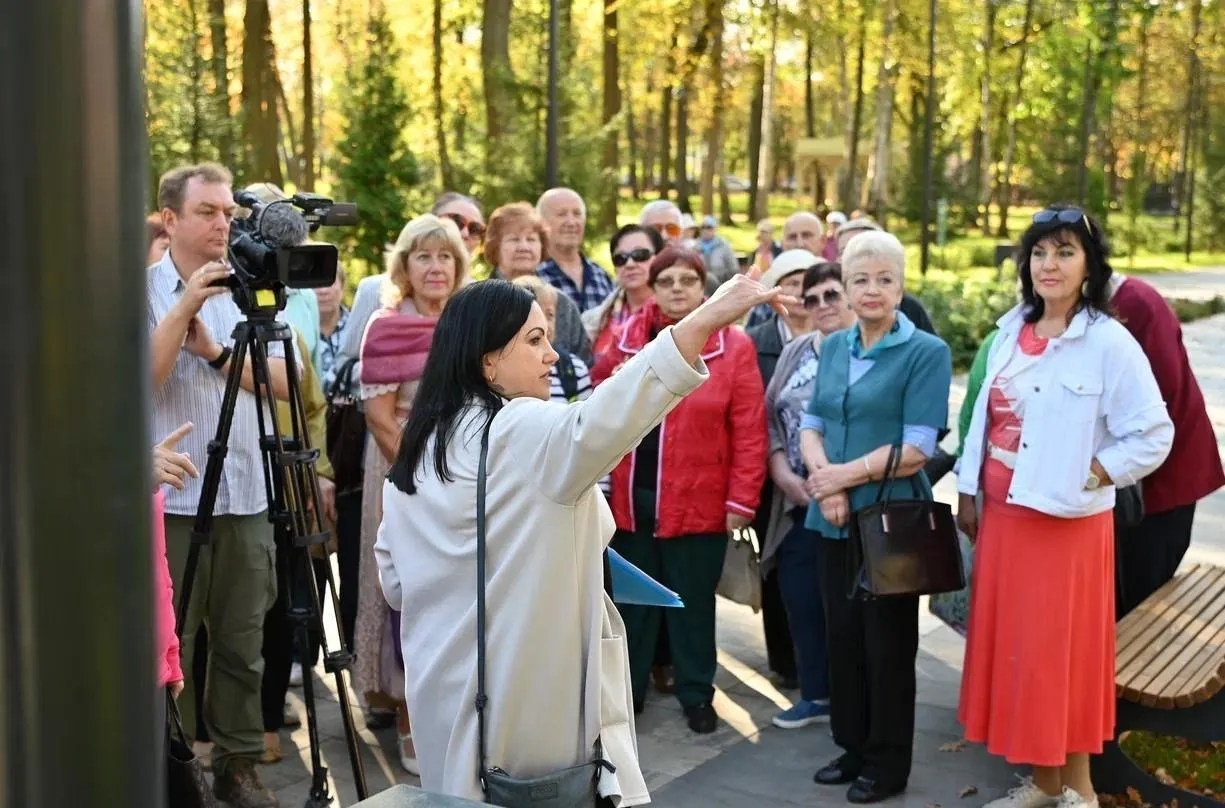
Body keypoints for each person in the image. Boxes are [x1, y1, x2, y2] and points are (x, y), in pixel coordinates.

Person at [373, 272, 788, 804]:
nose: (553, 354)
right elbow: (608, 417)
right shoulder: (520, 427)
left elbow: (395, 581)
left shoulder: (423, 443)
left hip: (439, 691)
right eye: (534, 339)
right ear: (487, 361)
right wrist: (703, 321)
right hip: (522, 699)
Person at [956, 207, 1174, 808]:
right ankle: (1045, 781)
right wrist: (969, 492)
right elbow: (983, 417)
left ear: (1089, 265)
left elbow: (1154, 433)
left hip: (1064, 527)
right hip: (1004, 520)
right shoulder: (1009, 332)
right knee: (1023, 657)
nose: (1049, 264)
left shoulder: (1107, 340)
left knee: (1060, 656)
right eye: (1039, 253)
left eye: (1065, 252)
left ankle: (1077, 790)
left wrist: (1096, 471)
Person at [148, 162, 285, 807]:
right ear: (171, 218)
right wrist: (186, 306)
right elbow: (139, 382)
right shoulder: (139, 291)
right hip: (170, 499)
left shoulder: (254, 289)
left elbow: (291, 384)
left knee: (242, 639)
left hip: (246, 492)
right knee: (169, 642)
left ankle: (237, 764)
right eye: (207, 212)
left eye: (229, 212)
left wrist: (218, 352)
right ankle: (168, 763)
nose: (223, 223)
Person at [800, 230, 952, 804]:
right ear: (844, 284)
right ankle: (852, 747)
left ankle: (888, 765)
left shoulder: (925, 353)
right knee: (841, 638)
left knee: (887, 647)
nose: (871, 290)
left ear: (901, 286)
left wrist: (843, 476)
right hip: (830, 514)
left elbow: (918, 447)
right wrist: (823, 480)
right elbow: (811, 422)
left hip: (891, 521)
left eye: (884, 279)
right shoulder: (835, 344)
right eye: (860, 279)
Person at [591, 247, 768, 734]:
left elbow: (750, 429)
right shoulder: (625, 339)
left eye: (685, 280)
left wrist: (741, 500)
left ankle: (696, 694)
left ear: (702, 288)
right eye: (664, 279)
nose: (674, 288)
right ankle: (626, 698)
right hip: (630, 501)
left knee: (692, 605)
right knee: (632, 606)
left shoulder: (734, 347)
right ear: (651, 286)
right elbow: (597, 405)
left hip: (701, 502)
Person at [356, 213, 469, 774]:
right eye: (423, 256)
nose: (435, 267)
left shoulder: (468, 323)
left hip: (464, 474)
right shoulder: (385, 324)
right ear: (405, 265)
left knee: (457, 593)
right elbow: (379, 417)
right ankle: (405, 717)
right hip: (402, 471)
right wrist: (424, 480)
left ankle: (456, 714)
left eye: (445, 256)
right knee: (407, 591)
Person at [761, 261, 855, 729]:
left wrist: (832, 479)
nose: (821, 306)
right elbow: (771, 415)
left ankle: (854, 700)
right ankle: (815, 695)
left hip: (850, 505)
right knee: (800, 598)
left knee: (847, 607)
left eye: (832, 294)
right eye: (812, 298)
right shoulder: (797, 350)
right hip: (795, 502)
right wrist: (779, 468)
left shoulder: (864, 351)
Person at [1107, 272, 1224, 616]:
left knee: (1137, 604)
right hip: (1136, 477)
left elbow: (1160, 397)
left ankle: (1133, 670)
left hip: (1161, 479)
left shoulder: (1134, 304)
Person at [259, 326, 338, 764]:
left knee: (282, 607)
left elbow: (313, 408)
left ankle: (269, 719)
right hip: (229, 484)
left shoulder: (284, 335)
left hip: (289, 480)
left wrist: (319, 471)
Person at [746, 248, 823, 689]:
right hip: (769, 478)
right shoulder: (756, 339)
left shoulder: (836, 332)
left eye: (806, 282)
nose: (798, 292)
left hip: (828, 479)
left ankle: (819, 666)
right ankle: (786, 662)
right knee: (775, 568)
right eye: (789, 282)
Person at [484, 201, 593, 363]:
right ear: (495, 247)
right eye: (514, 239)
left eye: (531, 239)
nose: (524, 247)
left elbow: (584, 363)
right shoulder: (480, 301)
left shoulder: (562, 303)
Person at [582, 224, 664, 364]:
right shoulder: (592, 321)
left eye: (640, 255)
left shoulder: (678, 314)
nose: (630, 264)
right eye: (620, 258)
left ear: (659, 258)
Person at [512, 275, 594, 403]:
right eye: (534, 313)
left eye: (549, 314)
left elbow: (585, 419)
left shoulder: (574, 369)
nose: (544, 322)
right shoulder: (505, 372)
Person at [537, 187, 616, 312]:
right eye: (562, 214)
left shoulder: (601, 275)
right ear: (542, 223)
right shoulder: (535, 276)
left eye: (577, 214)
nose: (571, 222)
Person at [697, 214, 739, 293]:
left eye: (709, 227)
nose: (705, 230)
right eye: (703, 227)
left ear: (714, 229)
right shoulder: (694, 247)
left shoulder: (724, 246)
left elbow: (733, 269)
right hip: (701, 290)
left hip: (721, 289)